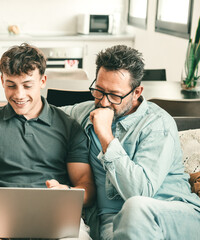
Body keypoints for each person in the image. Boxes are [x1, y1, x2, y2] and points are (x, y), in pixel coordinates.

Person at [61, 44, 200, 240]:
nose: (104, 102)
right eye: (99, 91)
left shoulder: (157, 124)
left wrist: (106, 137)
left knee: (135, 207)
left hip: (171, 214)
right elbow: (44, 113)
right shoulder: (84, 113)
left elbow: (139, 192)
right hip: (112, 223)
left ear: (136, 92)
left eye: (115, 95)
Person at [0, 43, 95, 240]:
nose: (19, 95)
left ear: (43, 81)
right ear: (2, 81)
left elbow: (87, 187)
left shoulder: (69, 126)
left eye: (27, 85)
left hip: (56, 217)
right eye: (11, 85)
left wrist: (66, 191)